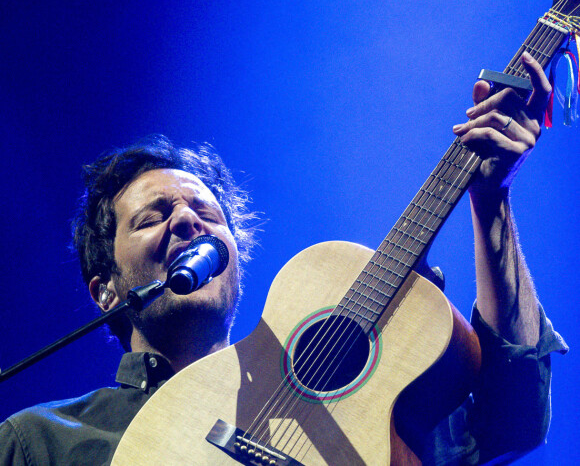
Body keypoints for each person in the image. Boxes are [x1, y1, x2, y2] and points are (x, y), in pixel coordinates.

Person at [0, 53, 567, 465]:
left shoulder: (359, 416)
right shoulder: (41, 441)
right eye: (153, 217)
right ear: (105, 292)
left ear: (234, 259)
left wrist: (490, 201)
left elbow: (514, 421)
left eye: (205, 212)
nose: (187, 220)